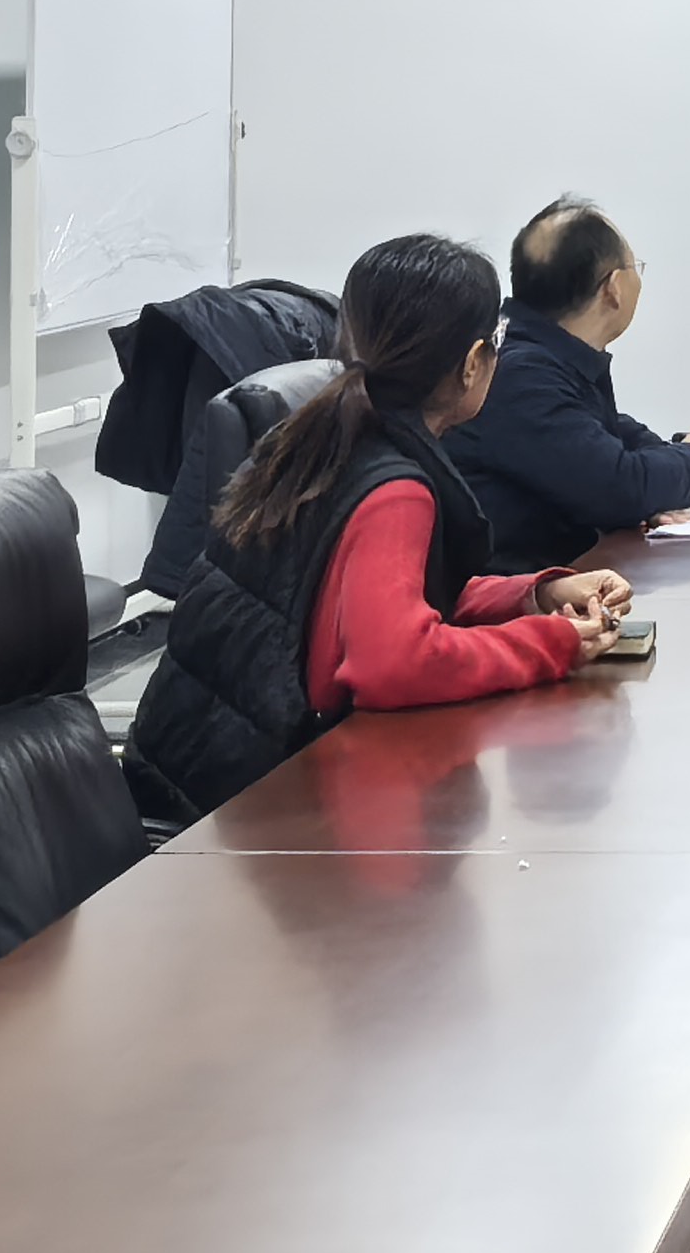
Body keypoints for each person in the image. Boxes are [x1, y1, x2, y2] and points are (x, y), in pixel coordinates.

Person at [127, 231, 630, 819]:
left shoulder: (330, 428)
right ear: (472, 363)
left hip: (193, 763)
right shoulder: (394, 488)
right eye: (496, 341)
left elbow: (385, 601)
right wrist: (551, 643)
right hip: (248, 804)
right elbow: (394, 663)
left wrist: (535, 595)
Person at [443, 199, 690, 576]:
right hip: (515, 596)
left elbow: (607, 436)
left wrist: (663, 475)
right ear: (614, 287)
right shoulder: (517, 371)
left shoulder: (543, 352)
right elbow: (617, 488)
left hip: (563, 582)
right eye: (635, 267)